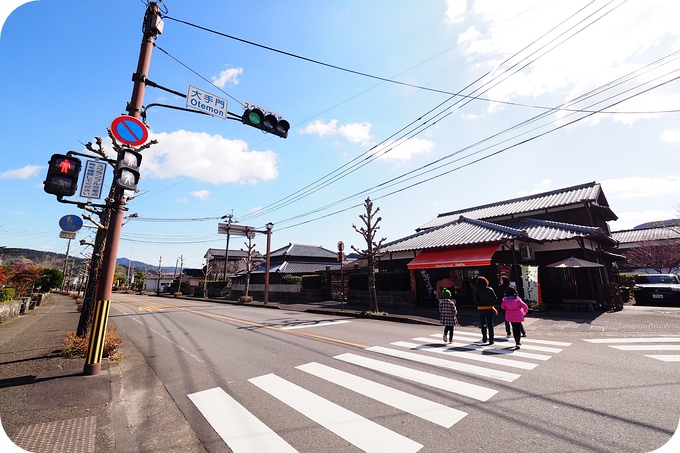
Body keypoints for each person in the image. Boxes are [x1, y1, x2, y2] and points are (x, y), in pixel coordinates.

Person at [472, 276, 497, 344]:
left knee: (483, 323)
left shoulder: (476, 290)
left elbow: (475, 299)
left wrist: (479, 303)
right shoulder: (490, 289)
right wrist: (490, 302)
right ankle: (491, 339)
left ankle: (484, 337)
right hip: (489, 307)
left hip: (481, 308)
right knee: (490, 323)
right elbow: (495, 298)